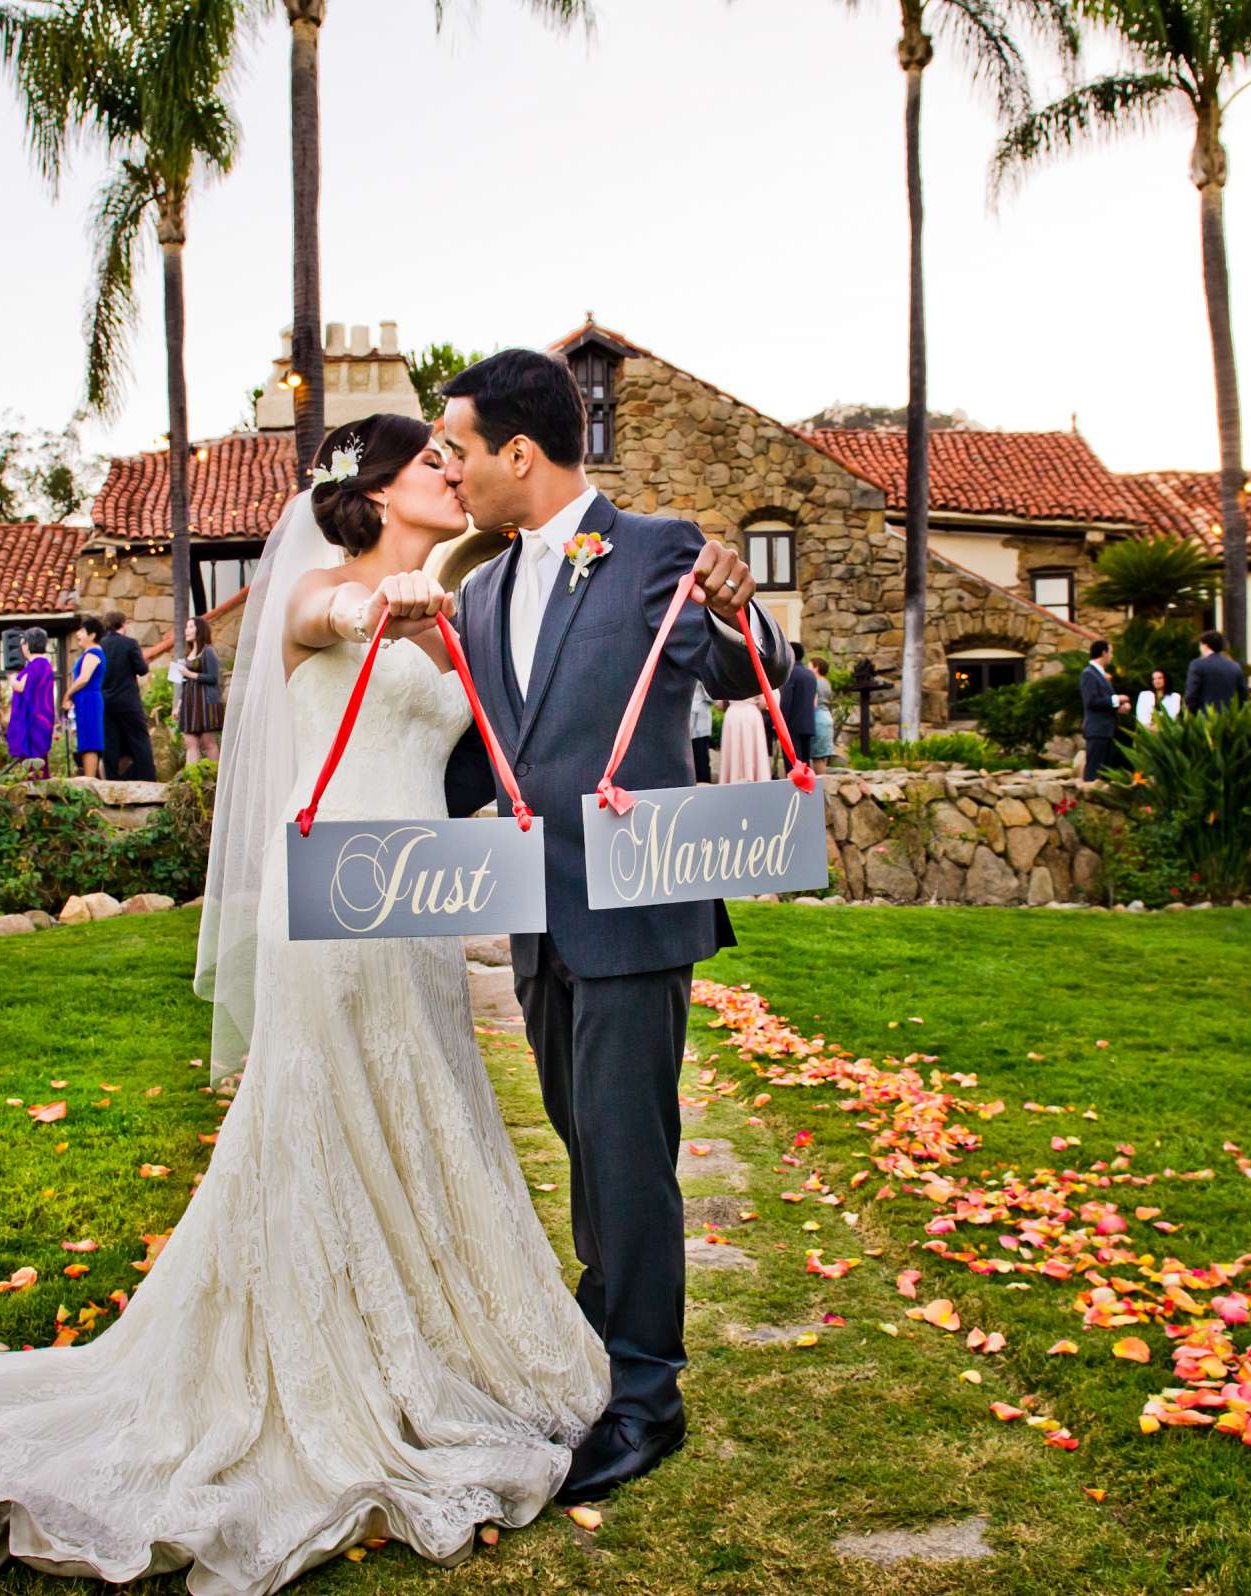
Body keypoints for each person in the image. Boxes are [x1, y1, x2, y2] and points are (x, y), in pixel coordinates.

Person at [0, 411, 610, 1589]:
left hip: (415, 913)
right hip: (331, 911)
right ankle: (328, 1372)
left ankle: (438, 1343)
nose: (451, 468)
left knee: (424, 1106)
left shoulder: (459, 604)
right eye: (428, 460)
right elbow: (321, 619)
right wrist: (373, 610)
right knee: (322, 1124)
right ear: (370, 494)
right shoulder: (318, 593)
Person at [437, 351, 789, 1505]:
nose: (451, 469)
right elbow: (484, 760)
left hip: (637, 904)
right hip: (538, 910)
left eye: (461, 449)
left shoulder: (656, 550)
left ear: (521, 455)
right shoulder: (479, 595)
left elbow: (748, 671)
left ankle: (647, 1393)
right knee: (579, 1131)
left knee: (633, 1152)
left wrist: (749, 613)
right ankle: (606, 1318)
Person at [97, 609, 159, 779]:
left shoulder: (100, 645)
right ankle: (147, 778)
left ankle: (112, 780)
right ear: (123, 625)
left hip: (106, 700)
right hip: (128, 700)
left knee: (110, 742)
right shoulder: (130, 643)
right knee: (140, 739)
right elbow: (141, 670)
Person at [3, 627, 58, 773]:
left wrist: (12, 678)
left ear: (27, 644)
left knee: (33, 757)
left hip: (33, 718)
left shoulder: (36, 665)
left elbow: (22, 687)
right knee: (39, 758)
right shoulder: (45, 664)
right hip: (42, 716)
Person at [173, 615, 224, 764]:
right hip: (190, 703)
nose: (186, 630)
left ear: (199, 630)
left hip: (206, 702)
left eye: (190, 627)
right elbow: (182, 684)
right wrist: (178, 705)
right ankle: (191, 780)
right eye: (186, 627)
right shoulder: (185, 656)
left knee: (208, 742)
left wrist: (190, 674)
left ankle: (215, 780)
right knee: (190, 743)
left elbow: (214, 678)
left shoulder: (209, 651)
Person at [64, 614, 107, 779]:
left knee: (90, 741)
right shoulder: (89, 653)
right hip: (84, 700)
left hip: (89, 699)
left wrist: (67, 694)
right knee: (86, 739)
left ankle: (89, 780)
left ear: (92, 635)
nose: (78, 634)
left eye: (82, 631)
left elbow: (83, 678)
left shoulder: (93, 653)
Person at [1079, 639, 1119, 782]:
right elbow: (1091, 701)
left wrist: (1118, 707)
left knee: (1105, 773)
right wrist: (1117, 700)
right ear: (1104, 653)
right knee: (1093, 770)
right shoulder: (1089, 674)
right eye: (1111, 652)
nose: (1111, 656)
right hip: (1097, 729)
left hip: (1106, 730)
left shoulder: (1100, 674)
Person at [1184, 629, 1246, 713]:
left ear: (1205, 645)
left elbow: (1192, 694)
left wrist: (1190, 712)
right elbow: (1243, 694)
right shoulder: (1235, 666)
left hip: (1205, 716)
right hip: (1229, 717)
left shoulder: (1197, 665)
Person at [779, 642, 819, 767]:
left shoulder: (790, 673)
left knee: (793, 765)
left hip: (792, 725)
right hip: (808, 724)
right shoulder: (811, 675)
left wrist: (779, 722)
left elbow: (786, 700)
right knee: (805, 763)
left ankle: (794, 787)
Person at [717, 696, 769, 782]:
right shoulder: (756, 681)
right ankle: (755, 780)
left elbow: (719, 703)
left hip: (732, 714)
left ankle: (731, 779)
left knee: (732, 749)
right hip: (751, 714)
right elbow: (763, 702)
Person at [809, 653, 837, 770]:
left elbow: (813, 703)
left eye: (809, 666)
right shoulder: (827, 683)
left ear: (816, 668)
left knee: (817, 757)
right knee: (823, 757)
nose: (807, 669)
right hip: (827, 717)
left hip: (817, 719)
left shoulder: (815, 683)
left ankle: (820, 786)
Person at [689, 678, 715, 782]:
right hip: (698, 718)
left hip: (688, 717)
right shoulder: (700, 672)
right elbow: (711, 695)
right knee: (701, 757)